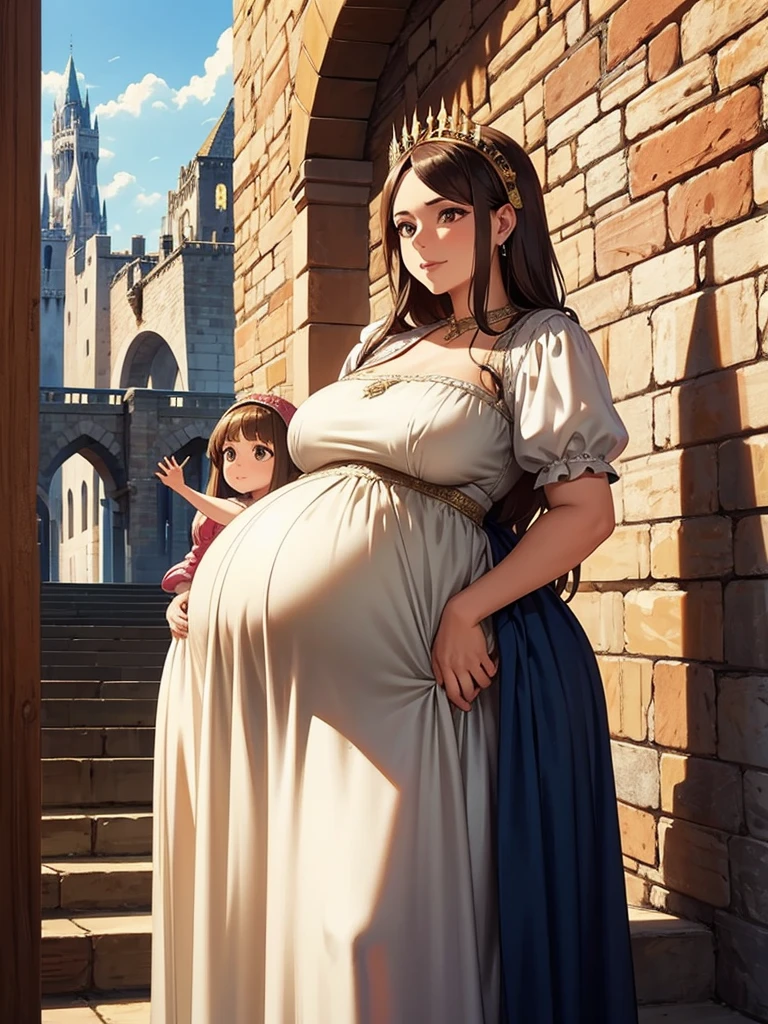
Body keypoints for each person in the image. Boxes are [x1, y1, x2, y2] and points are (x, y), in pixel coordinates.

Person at [162, 104, 638, 1024]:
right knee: (287, 900)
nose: (424, 242)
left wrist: (469, 610)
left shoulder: (537, 340)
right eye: (407, 225)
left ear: (503, 220)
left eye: (448, 216)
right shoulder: (378, 347)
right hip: (261, 680)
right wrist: (210, 587)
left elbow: (585, 511)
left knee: (375, 919)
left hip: (408, 663)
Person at [150, 394, 297, 1024]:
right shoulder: (213, 518)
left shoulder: (293, 511)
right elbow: (194, 562)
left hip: (262, 664)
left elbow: (240, 524)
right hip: (201, 657)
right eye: (229, 453)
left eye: (259, 451)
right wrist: (176, 600)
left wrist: (187, 492)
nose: (240, 465)